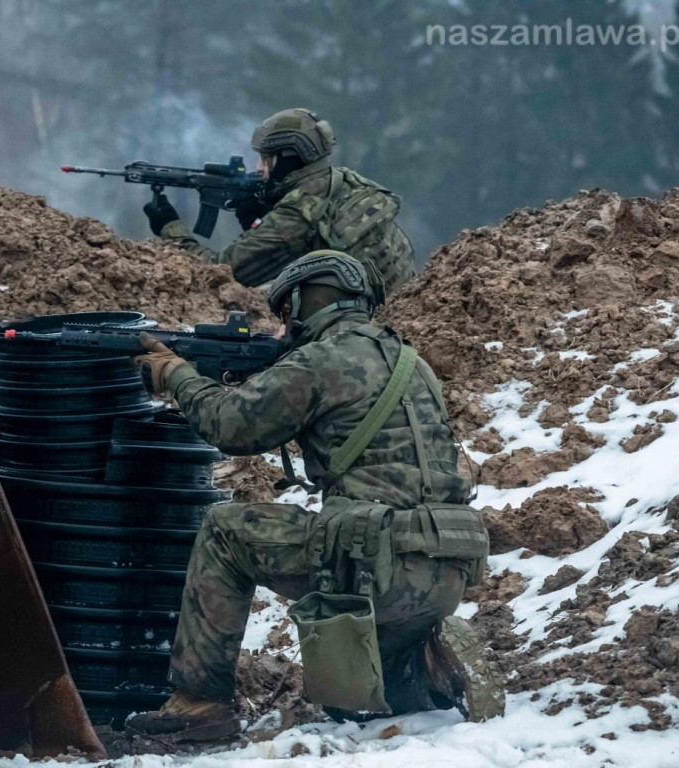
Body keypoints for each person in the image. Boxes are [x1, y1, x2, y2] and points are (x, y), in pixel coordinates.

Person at [126, 250, 504, 742]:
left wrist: (177, 375)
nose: (283, 329)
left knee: (225, 531)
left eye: (285, 315)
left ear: (305, 303)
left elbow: (232, 427)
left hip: (376, 565)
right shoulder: (413, 363)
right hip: (444, 567)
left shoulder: (322, 359)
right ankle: (416, 668)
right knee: (357, 708)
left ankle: (200, 705)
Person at [143, 108, 415, 293]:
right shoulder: (341, 182)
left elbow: (217, 275)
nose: (259, 169)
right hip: (398, 307)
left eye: (265, 159)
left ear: (288, 157)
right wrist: (256, 219)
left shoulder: (295, 215)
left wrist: (171, 229)